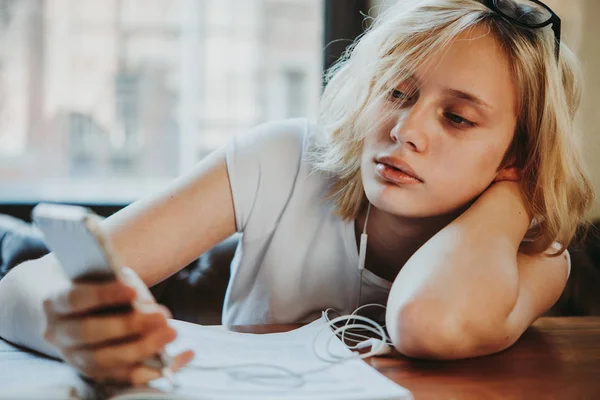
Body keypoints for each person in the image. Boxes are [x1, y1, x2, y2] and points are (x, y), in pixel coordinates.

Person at [0, 0, 593, 386]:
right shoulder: (285, 158)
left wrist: (521, 191)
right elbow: (21, 287)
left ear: (517, 153)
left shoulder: (534, 255)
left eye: (458, 118)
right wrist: (68, 332)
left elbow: (428, 322)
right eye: (396, 92)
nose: (406, 131)